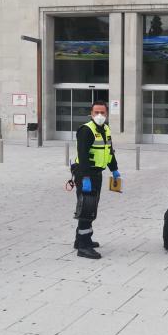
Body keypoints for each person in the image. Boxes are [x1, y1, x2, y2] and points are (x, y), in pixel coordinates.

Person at [72, 100, 120, 259]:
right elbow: (83, 156)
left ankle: (80, 239)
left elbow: (109, 151)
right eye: (96, 112)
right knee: (87, 208)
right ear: (91, 114)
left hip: (97, 173)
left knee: (90, 207)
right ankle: (83, 247)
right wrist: (85, 178)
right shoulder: (86, 130)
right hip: (86, 174)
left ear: (106, 114)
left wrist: (114, 170)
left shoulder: (106, 129)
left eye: (102, 112)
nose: (99, 115)